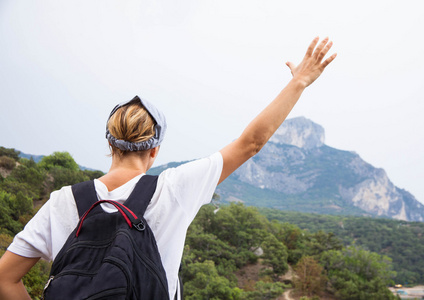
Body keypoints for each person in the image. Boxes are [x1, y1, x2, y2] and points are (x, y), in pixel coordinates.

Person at [0, 37, 336, 300]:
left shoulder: (63, 201)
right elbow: (251, 143)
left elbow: (5, 279)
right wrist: (299, 82)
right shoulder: (173, 189)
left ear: (109, 144)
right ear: (155, 149)